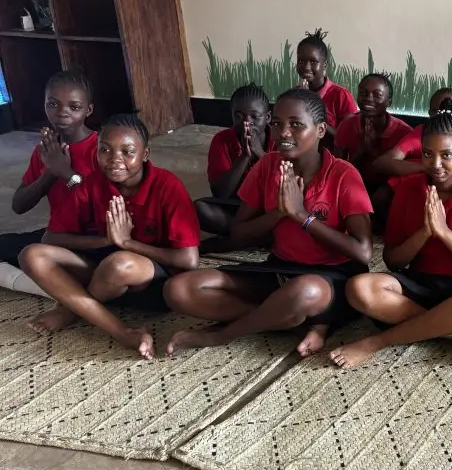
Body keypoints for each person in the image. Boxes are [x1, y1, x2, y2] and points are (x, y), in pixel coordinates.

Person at [163, 89, 373, 357]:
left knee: (303, 292)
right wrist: (280, 213)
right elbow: (238, 234)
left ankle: (223, 334)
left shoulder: (343, 174)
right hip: (279, 269)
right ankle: (296, 320)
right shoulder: (268, 166)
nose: (283, 132)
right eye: (277, 124)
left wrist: (301, 215)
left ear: (320, 130)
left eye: (296, 125)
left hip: (331, 277)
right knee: (178, 289)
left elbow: (364, 252)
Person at [330, 113, 452, 368]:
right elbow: (392, 261)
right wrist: (425, 232)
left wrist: (445, 233)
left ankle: (378, 342)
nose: (435, 164)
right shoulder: (407, 189)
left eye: (446, 155)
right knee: (358, 288)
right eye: (427, 154)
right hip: (420, 286)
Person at [18, 113, 200, 359]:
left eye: (127, 151)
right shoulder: (93, 183)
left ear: (145, 154)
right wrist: (106, 240)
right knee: (30, 254)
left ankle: (78, 312)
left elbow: (189, 261)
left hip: (152, 280)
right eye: (105, 150)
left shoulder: (168, 187)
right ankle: (121, 329)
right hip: (102, 265)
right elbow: (51, 238)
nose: (115, 160)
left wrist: (127, 243)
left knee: (119, 262)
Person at [1, 70, 99, 296]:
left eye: (74, 107)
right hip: (58, 236)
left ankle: (70, 291)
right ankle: (68, 289)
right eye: (53, 104)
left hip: (97, 240)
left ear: (88, 110)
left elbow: (100, 206)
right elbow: (19, 205)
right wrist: (49, 173)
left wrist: (67, 173)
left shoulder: (101, 149)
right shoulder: (47, 150)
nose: (62, 113)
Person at [371, 88, 452, 223]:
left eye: (450, 112)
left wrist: (451, 166)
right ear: (429, 113)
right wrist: (427, 167)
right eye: (438, 112)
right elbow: (383, 162)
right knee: (382, 197)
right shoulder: (422, 132)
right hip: (422, 181)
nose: (444, 116)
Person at [193, 83, 273, 252]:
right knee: (200, 209)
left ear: (268, 117)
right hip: (235, 207)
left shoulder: (279, 139)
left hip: (269, 210)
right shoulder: (221, 140)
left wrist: (260, 154)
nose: (246, 123)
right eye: (239, 116)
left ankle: (238, 239)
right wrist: (245, 155)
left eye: (254, 116)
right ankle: (257, 237)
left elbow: (288, 183)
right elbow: (221, 192)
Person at [334, 73, 413, 194]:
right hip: (352, 185)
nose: (369, 99)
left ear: (389, 102)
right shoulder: (347, 125)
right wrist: (361, 152)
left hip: (387, 191)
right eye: (363, 93)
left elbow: (403, 175)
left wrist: (373, 152)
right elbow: (337, 169)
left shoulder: (404, 132)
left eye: (377, 95)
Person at [295, 28, 358, 145]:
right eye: (301, 61)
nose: (306, 67)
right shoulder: (293, 95)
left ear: (324, 65)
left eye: (313, 62)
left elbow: (349, 139)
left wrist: (309, 104)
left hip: (331, 159)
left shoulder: (341, 96)